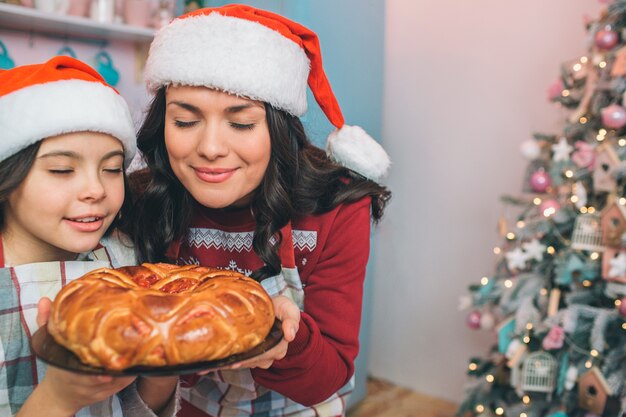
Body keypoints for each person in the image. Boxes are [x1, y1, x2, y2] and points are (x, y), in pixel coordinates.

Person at [128, 4, 391, 417]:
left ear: (278, 129)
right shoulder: (143, 200)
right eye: (185, 121)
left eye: (241, 123)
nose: (211, 148)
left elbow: (331, 374)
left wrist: (288, 341)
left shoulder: (336, 207)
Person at [0, 56, 179, 417]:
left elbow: (135, 407)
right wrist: (59, 398)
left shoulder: (125, 261)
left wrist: (166, 368)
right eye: (62, 169)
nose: (96, 189)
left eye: (112, 168)